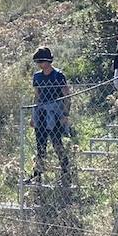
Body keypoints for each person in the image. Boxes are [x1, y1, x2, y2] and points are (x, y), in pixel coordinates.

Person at [29, 47, 71, 186]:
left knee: (56, 142)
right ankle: (37, 175)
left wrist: (65, 114)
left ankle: (66, 171)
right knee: (40, 145)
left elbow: (67, 96)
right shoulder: (37, 76)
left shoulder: (58, 75)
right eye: (38, 62)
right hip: (41, 113)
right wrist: (33, 116)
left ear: (48, 61)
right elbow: (37, 96)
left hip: (55, 113)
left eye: (42, 61)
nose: (40, 64)